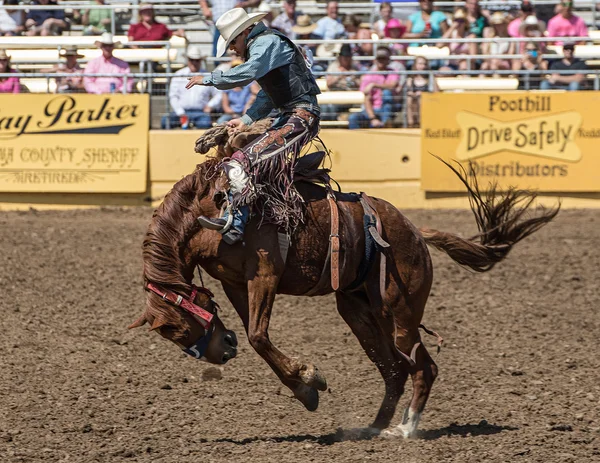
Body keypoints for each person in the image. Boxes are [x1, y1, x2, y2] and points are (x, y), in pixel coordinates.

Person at [186, 8, 321, 245]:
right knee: (244, 158)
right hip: (291, 115)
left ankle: (235, 222)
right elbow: (269, 95)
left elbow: (249, 72)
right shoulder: (267, 44)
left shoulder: (266, 43)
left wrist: (209, 78)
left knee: (241, 161)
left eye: (232, 42)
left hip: (299, 116)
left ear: (245, 32)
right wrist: (247, 120)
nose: (232, 49)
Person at [163, 46, 222, 129]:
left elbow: (219, 94)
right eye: (192, 60)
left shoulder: (207, 75)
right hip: (181, 111)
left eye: (197, 60)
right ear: (188, 60)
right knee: (165, 121)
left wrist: (210, 106)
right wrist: (180, 113)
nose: (194, 62)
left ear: (200, 61)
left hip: (200, 112)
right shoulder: (179, 75)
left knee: (204, 124)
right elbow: (173, 96)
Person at [348, 47, 399, 129]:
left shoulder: (392, 72)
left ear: (388, 60)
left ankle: (386, 124)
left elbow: (392, 85)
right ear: (375, 60)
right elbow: (366, 98)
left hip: (387, 108)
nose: (381, 61)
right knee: (353, 118)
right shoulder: (369, 76)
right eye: (379, 59)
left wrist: (374, 85)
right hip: (372, 109)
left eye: (384, 59)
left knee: (387, 93)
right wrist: (372, 118)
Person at [321, 44, 361, 121]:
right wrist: (339, 76)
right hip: (335, 98)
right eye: (344, 57)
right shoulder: (333, 67)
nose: (346, 59)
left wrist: (353, 77)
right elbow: (328, 83)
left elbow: (361, 84)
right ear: (340, 58)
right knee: (327, 109)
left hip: (351, 99)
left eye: (348, 57)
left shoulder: (355, 68)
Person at [217, 59, 260, 124]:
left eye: (239, 68)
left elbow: (257, 93)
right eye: (234, 68)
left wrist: (249, 103)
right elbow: (226, 107)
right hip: (231, 114)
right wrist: (235, 115)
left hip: (247, 113)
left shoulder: (249, 83)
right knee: (220, 122)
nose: (237, 71)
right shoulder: (226, 87)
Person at [405, 56, 435, 127]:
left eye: (424, 64)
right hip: (414, 102)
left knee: (421, 99)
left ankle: (420, 123)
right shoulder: (410, 80)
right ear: (415, 65)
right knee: (409, 99)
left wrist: (424, 94)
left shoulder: (430, 79)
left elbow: (436, 92)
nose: (423, 66)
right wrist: (413, 94)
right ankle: (411, 124)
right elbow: (408, 91)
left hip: (428, 101)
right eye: (420, 64)